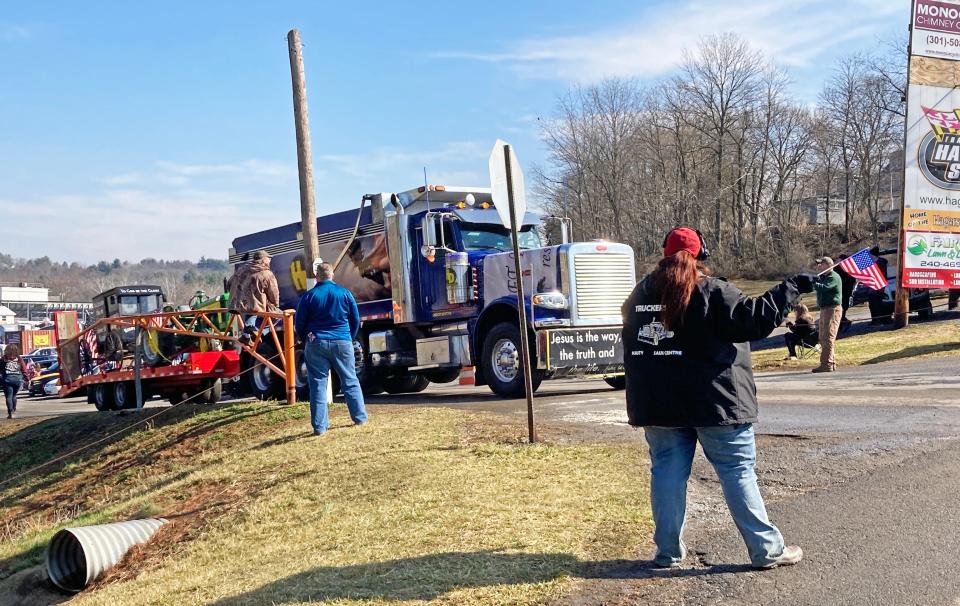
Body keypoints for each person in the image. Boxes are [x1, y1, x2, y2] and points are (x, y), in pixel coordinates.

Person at [622, 226, 810, 570]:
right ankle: (766, 550)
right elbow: (754, 321)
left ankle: (667, 553)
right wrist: (791, 287)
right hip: (717, 403)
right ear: (700, 257)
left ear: (664, 255)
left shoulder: (639, 294)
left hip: (659, 404)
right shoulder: (713, 291)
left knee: (666, 473)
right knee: (737, 472)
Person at [295, 261, 368, 435]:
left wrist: (306, 339)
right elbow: (355, 319)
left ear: (317, 276)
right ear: (332, 275)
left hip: (316, 342)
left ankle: (320, 427)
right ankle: (360, 418)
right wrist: (349, 337)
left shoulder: (309, 296)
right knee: (350, 379)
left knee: (318, 384)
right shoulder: (344, 293)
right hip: (342, 341)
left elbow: (300, 323)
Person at [238, 250, 280, 334]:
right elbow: (273, 292)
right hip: (259, 305)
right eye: (268, 258)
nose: (270, 260)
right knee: (279, 315)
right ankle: (259, 332)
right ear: (263, 260)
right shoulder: (267, 274)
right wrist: (275, 304)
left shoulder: (244, 271)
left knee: (251, 313)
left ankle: (247, 335)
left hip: (243, 305)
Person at [813, 256, 842, 373]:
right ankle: (830, 362)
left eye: (821, 264)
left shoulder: (833, 277)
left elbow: (825, 288)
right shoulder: (824, 277)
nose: (819, 266)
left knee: (828, 336)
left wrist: (814, 282)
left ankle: (827, 364)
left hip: (832, 309)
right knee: (822, 337)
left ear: (829, 265)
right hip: (824, 309)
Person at [1, 344, 28, 419]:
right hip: (17, 380)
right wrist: (26, 378)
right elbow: (24, 368)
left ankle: (10, 412)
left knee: (9, 396)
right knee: (14, 395)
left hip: (7, 380)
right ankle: (14, 409)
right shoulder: (19, 358)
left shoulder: (4, 358)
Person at [834, 254, 857, 333]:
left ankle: (842, 325)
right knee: (839, 312)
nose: (836, 260)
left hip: (844, 293)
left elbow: (850, 281)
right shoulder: (838, 268)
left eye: (838, 259)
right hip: (841, 293)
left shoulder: (844, 269)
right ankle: (842, 325)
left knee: (841, 311)